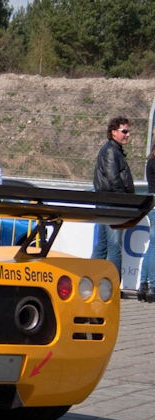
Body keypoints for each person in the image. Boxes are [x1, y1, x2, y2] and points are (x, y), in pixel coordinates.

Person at [91, 116, 134, 279]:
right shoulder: (110, 150)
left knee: (102, 245)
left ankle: (91, 279)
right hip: (111, 203)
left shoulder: (114, 150)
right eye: (124, 131)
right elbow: (113, 178)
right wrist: (124, 200)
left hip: (107, 201)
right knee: (113, 245)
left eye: (128, 131)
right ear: (113, 132)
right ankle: (113, 284)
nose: (128, 135)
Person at [138, 144, 155, 301]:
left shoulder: (151, 160)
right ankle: (152, 286)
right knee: (154, 246)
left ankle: (143, 284)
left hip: (152, 204)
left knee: (152, 246)